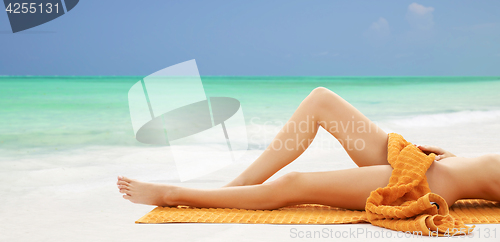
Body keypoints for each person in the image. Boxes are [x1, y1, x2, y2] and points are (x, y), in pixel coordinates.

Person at [117, 87, 500, 210]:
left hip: (425, 185)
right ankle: (236, 185)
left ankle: (175, 194)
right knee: (320, 101)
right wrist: (452, 154)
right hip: (428, 164)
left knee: (296, 183)